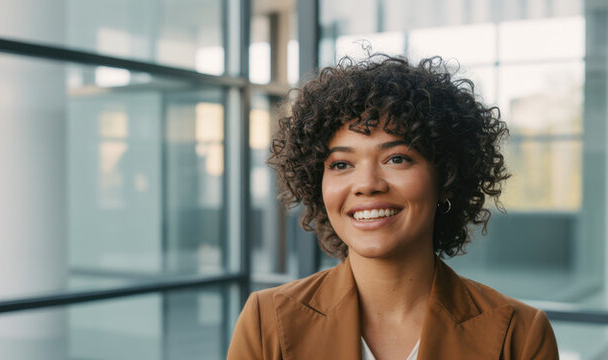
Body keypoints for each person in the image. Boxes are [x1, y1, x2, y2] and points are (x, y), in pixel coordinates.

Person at [226, 54, 559, 360]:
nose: (367, 183)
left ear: (446, 175)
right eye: (342, 164)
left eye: (397, 158)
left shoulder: (521, 335)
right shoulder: (266, 321)